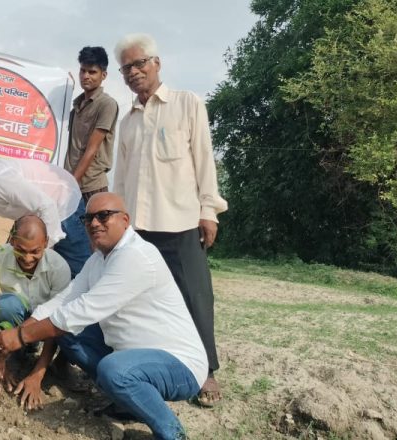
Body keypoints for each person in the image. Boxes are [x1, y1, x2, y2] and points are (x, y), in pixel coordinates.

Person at [0, 193, 208, 439]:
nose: (94, 223)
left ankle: (172, 433)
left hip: (178, 364)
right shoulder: (98, 259)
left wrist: (20, 334)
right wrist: (17, 333)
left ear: (125, 220)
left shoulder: (136, 256)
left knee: (114, 370)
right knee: (70, 337)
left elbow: (82, 310)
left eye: (103, 216)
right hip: (131, 355)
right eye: (88, 218)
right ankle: (128, 402)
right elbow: (63, 301)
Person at [112, 33, 228, 406]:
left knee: (195, 295)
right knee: (142, 302)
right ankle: (154, 369)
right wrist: (119, 221)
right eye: (126, 67)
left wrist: (208, 211)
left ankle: (206, 371)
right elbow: (120, 177)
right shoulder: (127, 121)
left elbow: (204, 161)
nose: (133, 72)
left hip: (180, 221)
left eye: (139, 64)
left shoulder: (187, 104)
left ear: (156, 63)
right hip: (139, 229)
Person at [0, 214, 71, 409]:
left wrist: (37, 375)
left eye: (35, 252)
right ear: (12, 240)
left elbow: (56, 323)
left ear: (46, 243)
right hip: (12, 325)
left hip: (45, 329)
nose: (27, 258)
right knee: (5, 304)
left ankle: (45, 361)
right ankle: (14, 356)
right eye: (20, 250)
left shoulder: (59, 268)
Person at [64, 46, 119, 203]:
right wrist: (66, 91)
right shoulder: (76, 107)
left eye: (92, 72)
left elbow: (92, 149)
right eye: (82, 71)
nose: (85, 76)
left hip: (92, 187)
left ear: (104, 75)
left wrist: (71, 185)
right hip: (70, 183)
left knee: (95, 227)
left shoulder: (106, 104)